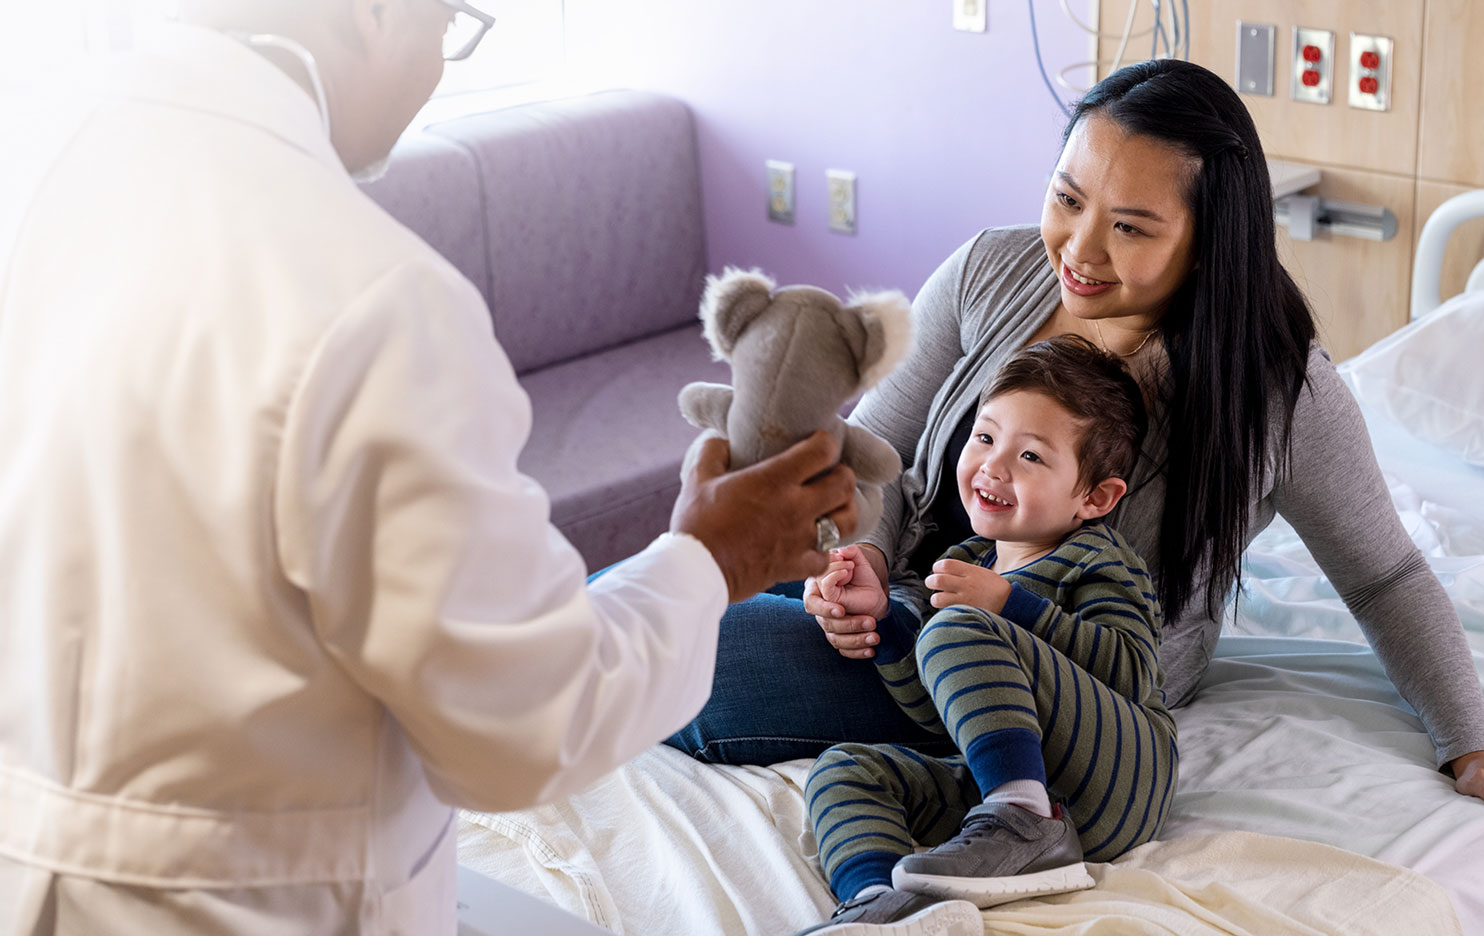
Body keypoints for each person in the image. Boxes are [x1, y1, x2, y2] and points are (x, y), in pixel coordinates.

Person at [0, 2, 858, 934]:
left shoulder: (41, 153)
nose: (440, 67)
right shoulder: (372, 295)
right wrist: (710, 559)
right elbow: (523, 723)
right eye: (448, 27)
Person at [667, 58, 1484, 817]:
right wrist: (857, 566)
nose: (1079, 249)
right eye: (1067, 199)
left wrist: (1468, 739)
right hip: (904, 609)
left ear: (1207, 243)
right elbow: (878, 455)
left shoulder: (1275, 390)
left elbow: (1386, 575)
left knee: (677, 660)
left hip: (1051, 679)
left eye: (1130, 227)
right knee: (650, 589)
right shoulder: (990, 271)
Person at [793, 337, 1174, 936]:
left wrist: (1009, 605)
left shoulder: (1097, 559)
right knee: (844, 768)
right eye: (986, 437)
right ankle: (878, 904)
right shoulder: (970, 561)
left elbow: (1131, 672)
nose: (994, 466)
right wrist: (884, 622)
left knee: (956, 627)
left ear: (1094, 497)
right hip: (998, 784)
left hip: (1118, 777)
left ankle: (1025, 819)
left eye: (1032, 456)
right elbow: (935, 712)